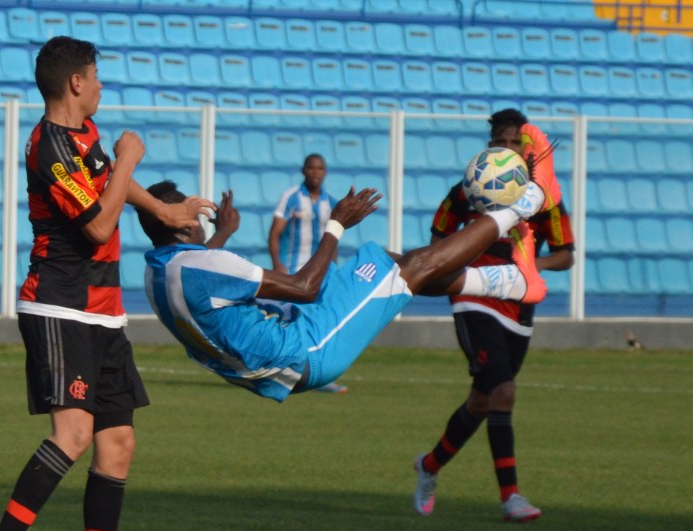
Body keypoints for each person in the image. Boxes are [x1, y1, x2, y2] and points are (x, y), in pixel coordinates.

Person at [0, 36, 214, 531]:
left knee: (117, 446)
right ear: (75, 82)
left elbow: (105, 178)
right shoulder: (49, 148)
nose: (100, 86)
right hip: (60, 306)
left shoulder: (83, 133)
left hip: (104, 311)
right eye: (95, 77)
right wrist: (129, 158)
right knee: (72, 436)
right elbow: (96, 223)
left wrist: (161, 209)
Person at [135, 172, 551, 404]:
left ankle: (502, 282)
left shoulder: (156, 273)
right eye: (188, 207)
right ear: (177, 220)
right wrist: (336, 223)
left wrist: (220, 235)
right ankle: (522, 206)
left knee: (388, 262)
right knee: (414, 268)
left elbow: (199, 277)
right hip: (305, 350)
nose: (197, 209)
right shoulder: (205, 264)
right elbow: (304, 287)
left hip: (275, 353)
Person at [413, 108, 575, 523]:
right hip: (473, 297)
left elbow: (565, 254)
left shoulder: (543, 199)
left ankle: (429, 466)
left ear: (526, 151)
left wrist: (528, 269)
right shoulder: (465, 191)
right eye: (498, 143)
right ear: (488, 148)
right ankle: (511, 498)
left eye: (513, 143)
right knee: (502, 393)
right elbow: (436, 247)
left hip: (519, 304)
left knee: (483, 401)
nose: (505, 150)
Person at [267, 153, 347, 394]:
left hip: (318, 273)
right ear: (303, 170)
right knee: (287, 322)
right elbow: (275, 233)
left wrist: (333, 270)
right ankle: (280, 371)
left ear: (325, 172)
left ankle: (313, 376)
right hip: (292, 271)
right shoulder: (290, 197)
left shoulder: (331, 203)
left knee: (317, 324)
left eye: (320, 168)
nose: (315, 172)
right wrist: (278, 265)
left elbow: (332, 240)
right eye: (311, 167)